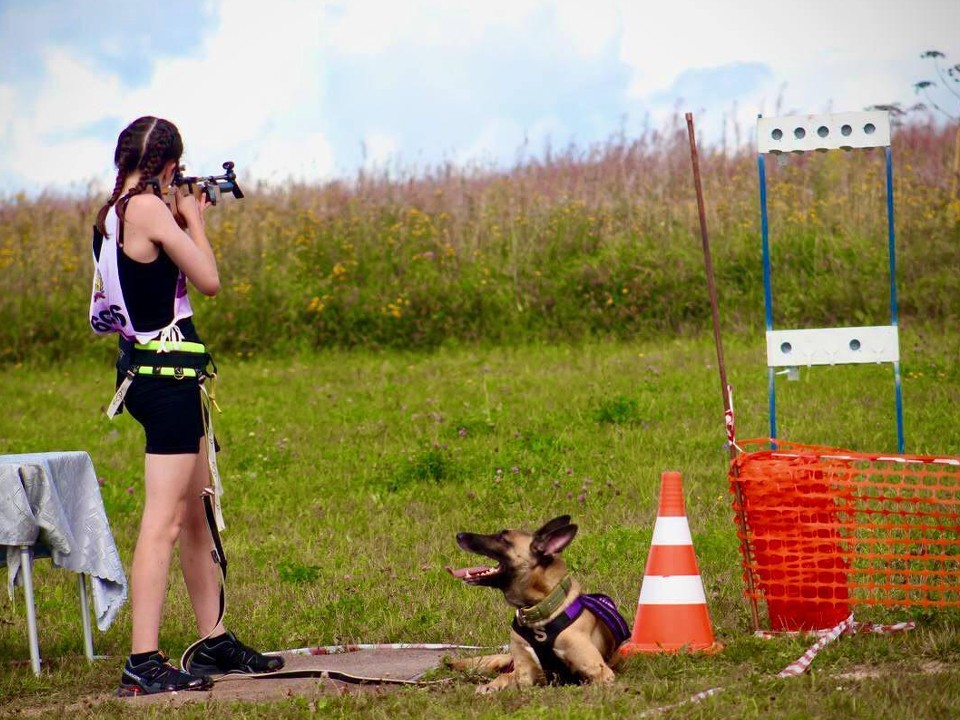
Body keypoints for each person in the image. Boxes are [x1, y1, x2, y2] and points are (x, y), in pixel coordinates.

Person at [89, 116, 283, 696]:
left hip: (160, 376)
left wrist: (177, 209)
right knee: (163, 523)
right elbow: (209, 279)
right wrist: (195, 220)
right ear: (170, 164)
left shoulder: (112, 210)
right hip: (167, 382)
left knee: (196, 512)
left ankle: (213, 639)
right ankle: (142, 662)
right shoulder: (146, 210)